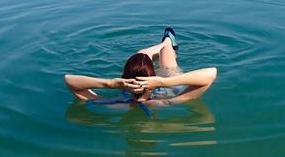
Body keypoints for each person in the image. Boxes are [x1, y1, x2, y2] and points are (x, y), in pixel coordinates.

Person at [64, 28, 217, 106]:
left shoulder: (118, 104)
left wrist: (110, 84)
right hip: (171, 82)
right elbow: (211, 73)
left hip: (146, 82)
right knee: (166, 53)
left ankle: (163, 44)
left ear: (124, 79)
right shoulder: (166, 102)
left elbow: (70, 81)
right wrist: (162, 82)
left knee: (141, 55)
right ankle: (166, 43)